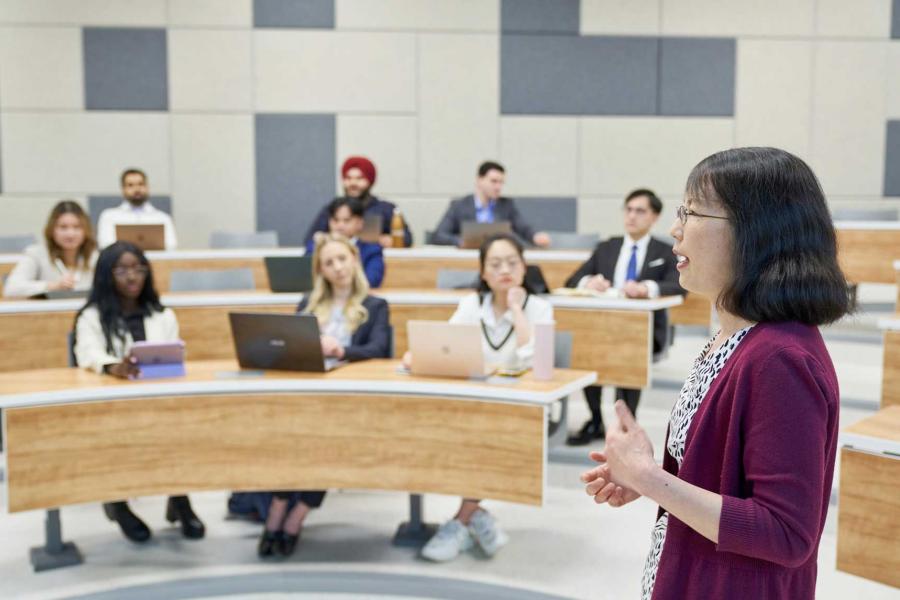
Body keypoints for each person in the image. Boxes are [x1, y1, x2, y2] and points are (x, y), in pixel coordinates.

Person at [581, 147, 851, 599]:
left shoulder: (779, 358)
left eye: (692, 211)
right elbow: (725, 482)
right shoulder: (733, 338)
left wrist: (650, 477)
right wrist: (650, 479)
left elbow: (786, 532)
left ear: (755, 232)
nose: (674, 228)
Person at [404, 232, 553, 562]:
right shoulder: (472, 305)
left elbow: (533, 359)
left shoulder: (540, 308)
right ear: (483, 272)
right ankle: (476, 518)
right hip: (473, 402)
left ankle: (460, 520)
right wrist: (419, 354)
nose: (504, 270)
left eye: (512, 262)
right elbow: (448, 343)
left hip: (520, 408)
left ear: (524, 267)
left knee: (489, 438)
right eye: (495, 264)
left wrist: (516, 307)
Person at [258, 232, 391, 558]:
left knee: (327, 449)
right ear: (321, 270)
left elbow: (379, 350)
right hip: (307, 391)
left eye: (342, 259)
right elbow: (288, 344)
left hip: (349, 395)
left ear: (354, 260)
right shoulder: (308, 303)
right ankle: (277, 506)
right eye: (329, 262)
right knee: (290, 444)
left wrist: (341, 349)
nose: (337, 267)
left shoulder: (375, 306)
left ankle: (296, 515)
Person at [73, 241, 204, 542]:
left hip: (159, 400)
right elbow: (87, 354)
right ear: (107, 276)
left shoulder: (163, 315)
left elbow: (173, 354)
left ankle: (179, 497)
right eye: (122, 270)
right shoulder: (91, 317)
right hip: (112, 404)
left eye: (138, 269)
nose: (132, 277)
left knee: (182, 430)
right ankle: (117, 502)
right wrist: (112, 367)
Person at [564, 189, 685, 445]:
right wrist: (589, 282)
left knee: (628, 351)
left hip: (641, 331)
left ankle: (628, 424)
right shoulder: (608, 247)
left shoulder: (664, 251)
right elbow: (573, 279)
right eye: (628, 210)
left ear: (654, 216)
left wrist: (647, 289)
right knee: (590, 348)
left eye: (640, 211)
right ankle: (596, 419)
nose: (632, 216)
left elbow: (678, 286)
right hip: (600, 327)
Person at [431, 161, 551, 248]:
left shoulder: (506, 205)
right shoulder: (459, 205)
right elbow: (439, 235)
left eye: (501, 182)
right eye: (494, 181)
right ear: (479, 180)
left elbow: (523, 227)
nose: (498, 187)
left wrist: (535, 236)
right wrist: (460, 241)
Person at [304, 156, 412, 247]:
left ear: (370, 181)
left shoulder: (385, 209)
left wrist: (389, 240)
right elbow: (310, 240)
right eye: (348, 178)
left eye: (359, 178)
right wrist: (327, 239)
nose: (353, 183)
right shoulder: (333, 208)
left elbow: (407, 239)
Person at [3, 200, 98, 298]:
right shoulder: (36, 254)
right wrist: (52, 286)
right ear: (52, 229)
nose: (70, 234)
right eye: (63, 227)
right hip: (48, 312)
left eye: (77, 227)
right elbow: (11, 289)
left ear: (86, 230)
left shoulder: (94, 256)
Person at [306, 197, 385, 288]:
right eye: (335, 220)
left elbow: (372, 280)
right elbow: (307, 277)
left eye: (346, 220)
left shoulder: (371, 249)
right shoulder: (315, 247)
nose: (340, 226)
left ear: (360, 223)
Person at [96, 168, 177, 249]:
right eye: (130, 185)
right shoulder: (109, 216)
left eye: (141, 184)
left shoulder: (163, 218)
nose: (137, 189)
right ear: (123, 189)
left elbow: (171, 246)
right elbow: (105, 246)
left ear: (147, 187)